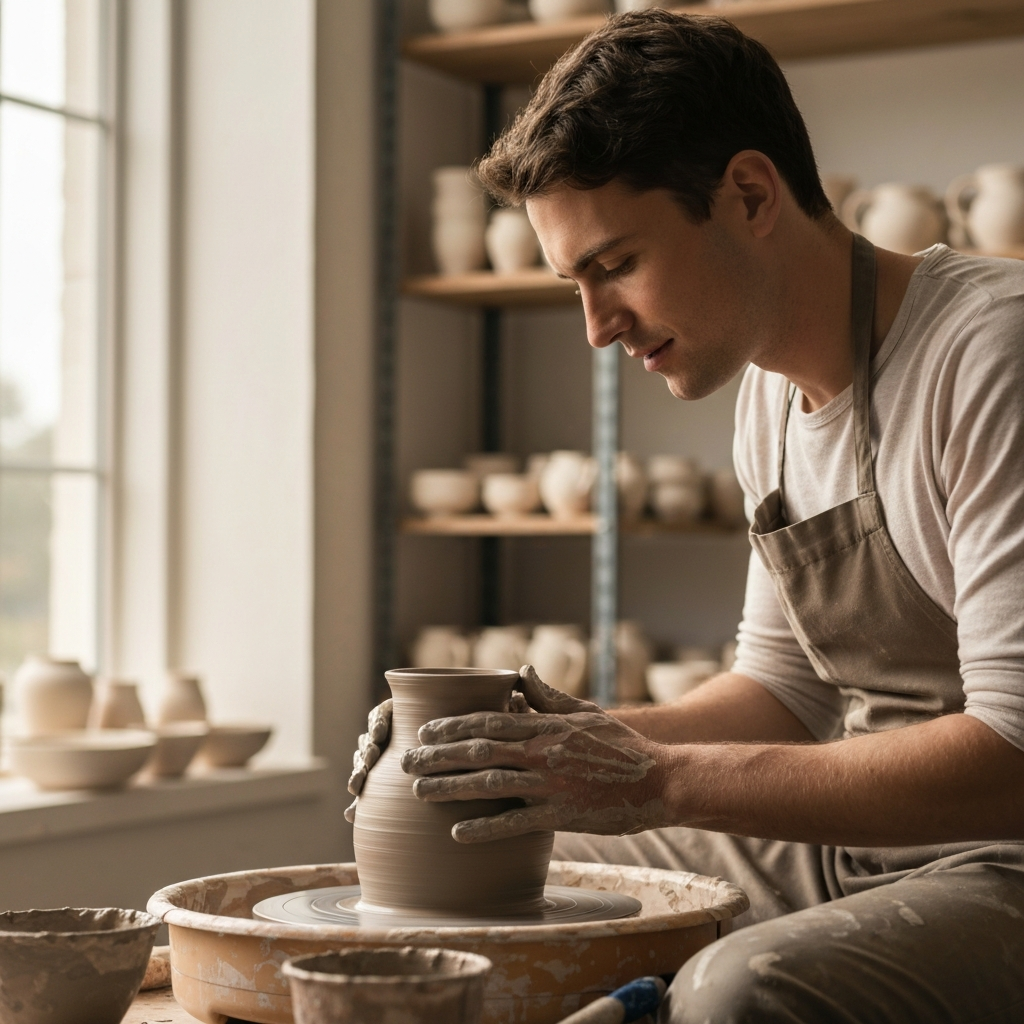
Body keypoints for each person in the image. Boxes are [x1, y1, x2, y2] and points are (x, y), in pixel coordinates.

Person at [348, 11, 1024, 1022]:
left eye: (615, 264)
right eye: (574, 282)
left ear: (748, 194)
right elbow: (780, 694)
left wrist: (658, 779)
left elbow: (1013, 753)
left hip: (1000, 862)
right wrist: (527, 752)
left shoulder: (986, 357)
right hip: (853, 849)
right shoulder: (766, 387)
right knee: (473, 850)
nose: (595, 326)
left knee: (738, 991)